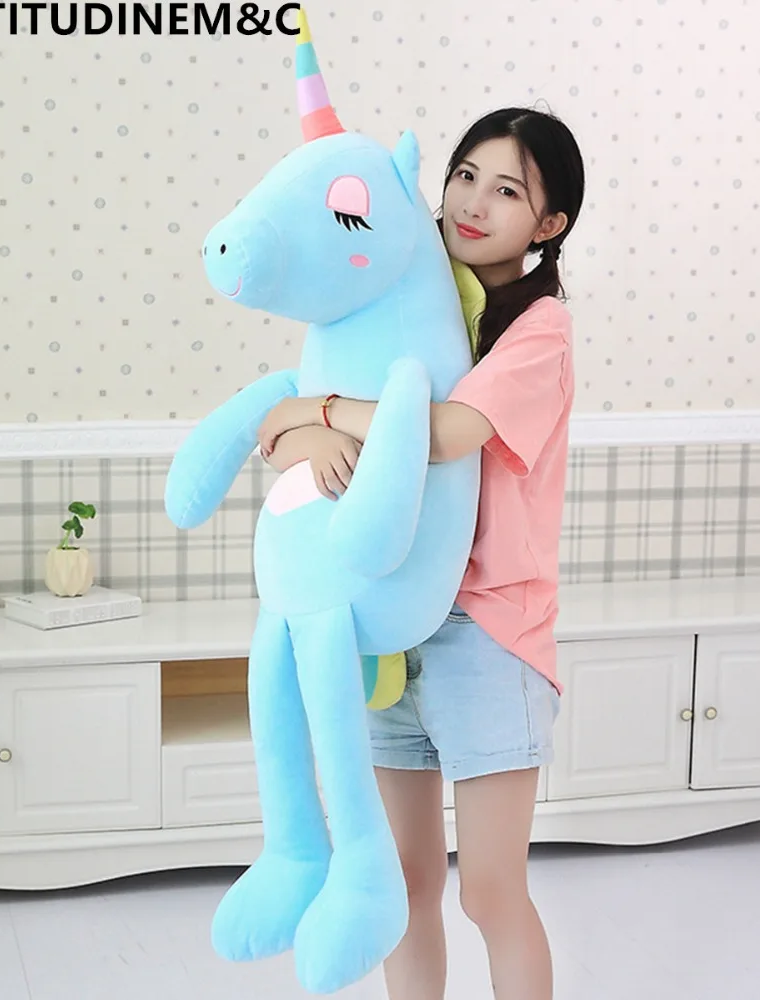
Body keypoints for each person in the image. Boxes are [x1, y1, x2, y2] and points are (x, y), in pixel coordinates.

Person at [256, 105, 585, 1000]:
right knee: (403, 885)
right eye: (465, 175)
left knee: (490, 892)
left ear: (548, 224)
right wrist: (303, 424)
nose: (473, 202)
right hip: (387, 623)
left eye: (507, 191)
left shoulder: (538, 330)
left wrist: (320, 411)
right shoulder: (397, 295)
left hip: (488, 634)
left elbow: (442, 434)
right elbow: (279, 440)